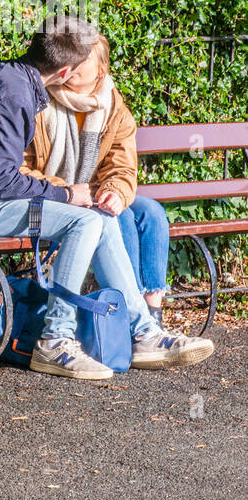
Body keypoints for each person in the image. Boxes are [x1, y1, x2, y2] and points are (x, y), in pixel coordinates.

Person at [0, 14, 212, 380]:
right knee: (83, 217)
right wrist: (65, 193)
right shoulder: (14, 93)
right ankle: (55, 340)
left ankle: (142, 334)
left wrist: (82, 195)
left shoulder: (18, 81)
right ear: (63, 73)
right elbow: (2, 178)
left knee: (96, 216)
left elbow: (2, 178)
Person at [19, 34, 171, 326]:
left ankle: (152, 312)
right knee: (115, 218)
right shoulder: (39, 102)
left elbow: (122, 167)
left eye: (82, 61)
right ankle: (129, 313)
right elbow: (21, 168)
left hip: (95, 193)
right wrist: (68, 191)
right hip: (57, 197)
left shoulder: (114, 109)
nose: (72, 66)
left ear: (100, 70)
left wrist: (115, 191)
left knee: (150, 212)